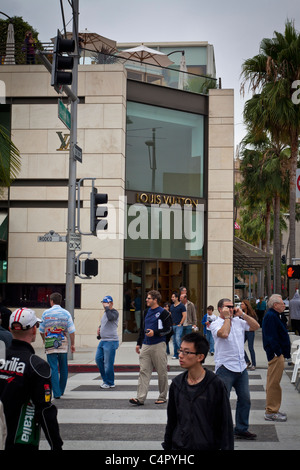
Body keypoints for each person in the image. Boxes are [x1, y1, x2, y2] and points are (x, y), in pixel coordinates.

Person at [0, 308, 63, 450]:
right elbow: (45, 411)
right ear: (34, 330)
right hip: (20, 440)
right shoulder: (37, 365)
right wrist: (56, 445)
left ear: (10, 329)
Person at [162, 332, 234, 450]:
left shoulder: (215, 384)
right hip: (179, 446)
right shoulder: (177, 384)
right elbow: (172, 421)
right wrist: (167, 445)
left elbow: (225, 423)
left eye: (186, 352)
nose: (180, 355)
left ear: (200, 357)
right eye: (180, 351)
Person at [208, 298, 260, 440]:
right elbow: (224, 334)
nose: (231, 309)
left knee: (245, 399)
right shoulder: (215, 324)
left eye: (232, 306)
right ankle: (219, 430)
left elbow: (255, 326)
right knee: (222, 401)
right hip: (225, 367)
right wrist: (226, 318)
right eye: (227, 307)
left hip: (241, 367)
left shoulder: (238, 321)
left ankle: (241, 428)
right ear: (220, 309)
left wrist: (242, 314)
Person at [129, 290, 172, 406]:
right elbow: (142, 329)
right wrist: (139, 343)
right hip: (146, 345)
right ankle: (140, 398)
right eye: (147, 298)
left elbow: (169, 330)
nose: (146, 300)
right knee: (143, 371)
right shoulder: (145, 312)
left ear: (155, 300)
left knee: (161, 371)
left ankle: (162, 396)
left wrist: (156, 333)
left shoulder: (164, 313)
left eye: (149, 298)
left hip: (158, 345)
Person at [39, 292, 75, 399]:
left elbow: (41, 330)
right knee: (64, 367)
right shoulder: (66, 313)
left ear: (51, 301)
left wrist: (44, 340)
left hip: (50, 343)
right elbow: (72, 331)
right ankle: (62, 389)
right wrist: (72, 344)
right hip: (63, 344)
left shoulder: (46, 313)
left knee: (53, 368)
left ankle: (57, 393)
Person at [262, 294, 291, 422]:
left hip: (278, 354)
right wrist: (277, 353)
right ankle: (271, 411)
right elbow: (271, 336)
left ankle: (273, 409)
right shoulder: (271, 316)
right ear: (275, 305)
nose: (284, 305)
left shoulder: (276, 316)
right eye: (281, 303)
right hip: (275, 355)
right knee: (274, 383)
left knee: (274, 383)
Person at [95, 295, 119, 389]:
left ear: (111, 303)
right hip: (103, 340)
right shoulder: (106, 313)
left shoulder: (114, 312)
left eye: (107, 303)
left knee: (108, 363)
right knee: (98, 359)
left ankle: (110, 382)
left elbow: (110, 318)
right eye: (103, 303)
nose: (104, 305)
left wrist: (107, 308)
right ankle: (106, 380)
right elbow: (105, 324)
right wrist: (99, 330)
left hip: (111, 341)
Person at [241, 300, 258, 370]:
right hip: (243, 332)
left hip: (250, 331)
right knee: (240, 346)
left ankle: (254, 364)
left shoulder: (251, 313)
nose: (241, 305)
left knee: (250, 348)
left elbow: (255, 322)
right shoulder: (241, 313)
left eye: (242, 304)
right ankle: (247, 361)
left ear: (246, 305)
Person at [170, 292, 186, 359]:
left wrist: (180, 323)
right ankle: (175, 354)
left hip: (178, 325)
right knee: (174, 341)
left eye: (173, 297)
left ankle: (181, 354)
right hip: (172, 325)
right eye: (172, 297)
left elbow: (184, 315)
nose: (172, 298)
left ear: (177, 298)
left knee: (178, 339)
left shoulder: (182, 306)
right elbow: (170, 315)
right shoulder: (171, 306)